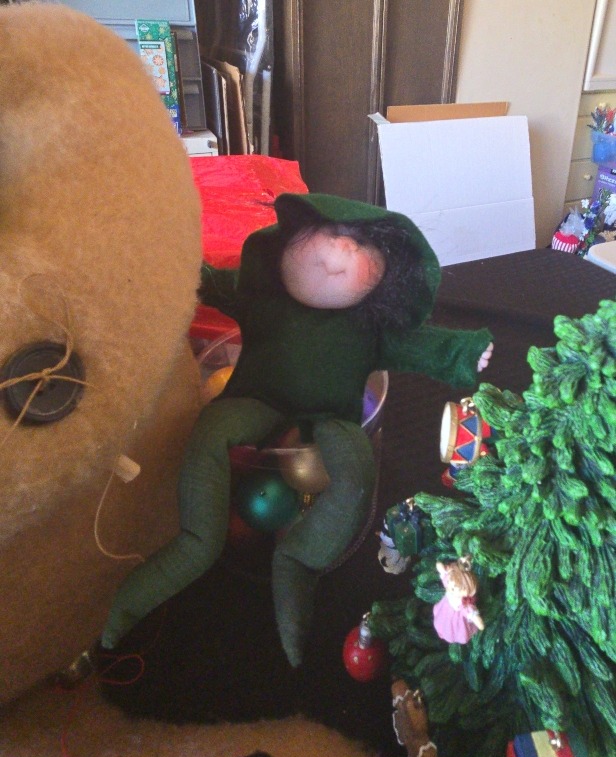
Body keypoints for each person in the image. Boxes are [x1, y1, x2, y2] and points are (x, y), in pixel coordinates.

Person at [102, 193, 493, 667]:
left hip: (333, 419)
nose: (341, 249)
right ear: (286, 244)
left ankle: (299, 558)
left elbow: (422, 345)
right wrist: (178, 266)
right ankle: (196, 543)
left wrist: (465, 352)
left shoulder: (370, 328)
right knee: (213, 429)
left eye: (360, 244)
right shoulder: (263, 299)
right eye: (330, 234)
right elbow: (209, 282)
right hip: (257, 401)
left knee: (356, 468)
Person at [433, 557, 485, 644]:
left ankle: (450, 635)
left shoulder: (464, 604)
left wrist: (479, 622)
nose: (451, 588)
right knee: (442, 623)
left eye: (456, 588)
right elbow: (439, 566)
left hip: (456, 620)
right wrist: (443, 567)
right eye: (450, 585)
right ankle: (441, 632)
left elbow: (472, 615)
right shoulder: (448, 580)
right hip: (445, 609)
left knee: (452, 631)